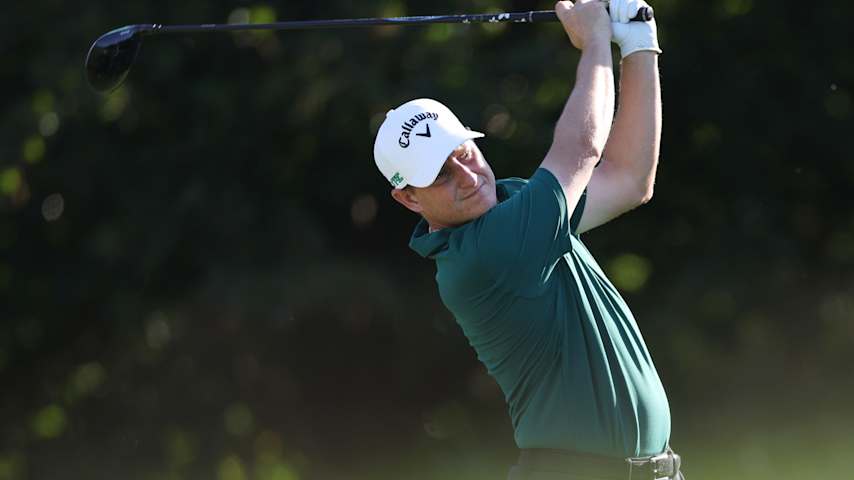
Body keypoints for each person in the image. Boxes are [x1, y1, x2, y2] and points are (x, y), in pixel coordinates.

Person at [373, 0, 684, 478]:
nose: (466, 175)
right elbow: (581, 149)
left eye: (463, 152)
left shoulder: (515, 208)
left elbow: (628, 180)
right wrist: (596, 41)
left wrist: (640, 44)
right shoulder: (482, 255)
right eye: (438, 173)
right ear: (408, 199)